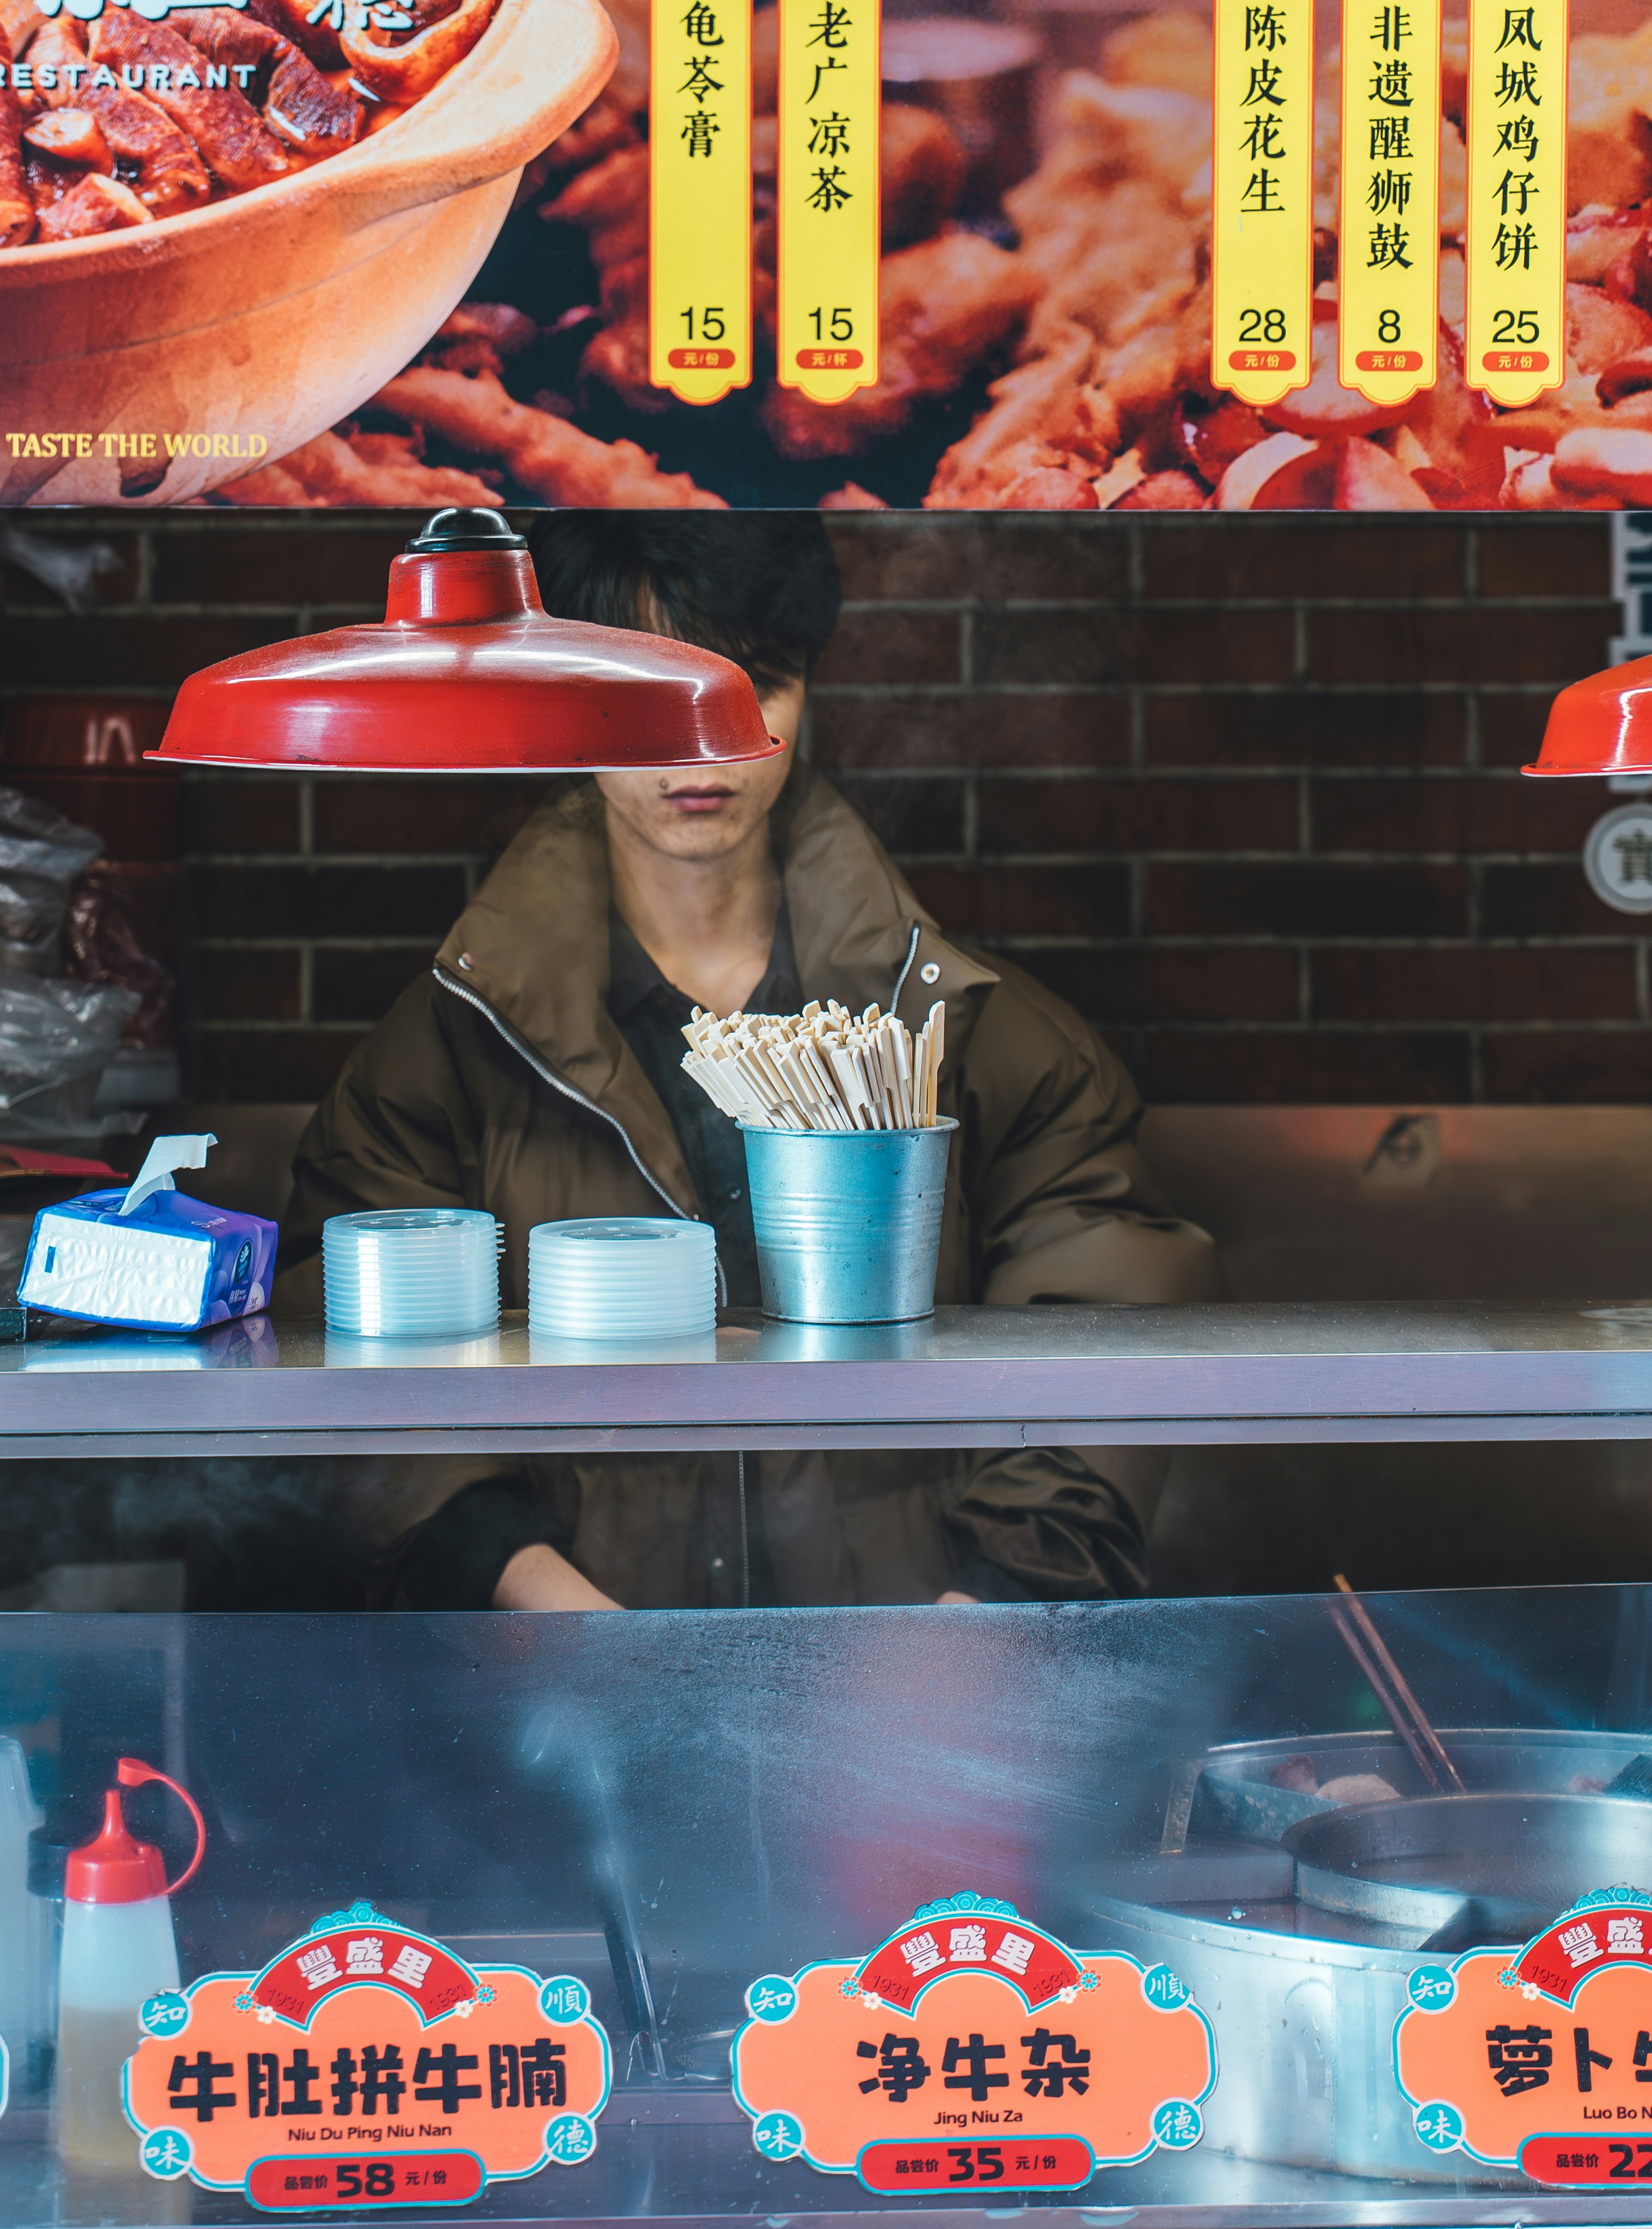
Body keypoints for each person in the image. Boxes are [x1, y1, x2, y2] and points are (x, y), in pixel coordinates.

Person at [287, 512, 1220, 1612]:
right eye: (648, 697)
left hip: (911, 1703)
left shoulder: (975, 1034)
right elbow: (339, 1357)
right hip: (561, 1717)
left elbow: (1112, 1333)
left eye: (755, 689)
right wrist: (537, 1599)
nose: (707, 746)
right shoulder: (450, 1043)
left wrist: (981, 1620)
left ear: (808, 693)